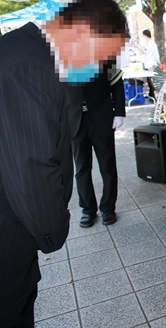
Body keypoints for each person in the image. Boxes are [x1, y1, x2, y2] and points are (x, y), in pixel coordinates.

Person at [0, 0, 128, 327]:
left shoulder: (16, 49)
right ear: (80, 33)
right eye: (100, 56)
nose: (95, 67)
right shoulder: (29, 68)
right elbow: (32, 168)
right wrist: (52, 232)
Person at [66, 62, 126, 228]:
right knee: (81, 169)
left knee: (107, 168)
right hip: (75, 122)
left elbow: (117, 85)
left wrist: (119, 113)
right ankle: (87, 209)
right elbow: (54, 93)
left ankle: (108, 208)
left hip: (101, 119)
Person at [138, 28, 159, 98]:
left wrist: (158, 63)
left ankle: (155, 95)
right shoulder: (148, 43)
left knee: (152, 80)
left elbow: (153, 54)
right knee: (149, 81)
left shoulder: (151, 43)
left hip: (152, 64)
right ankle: (152, 94)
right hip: (148, 63)